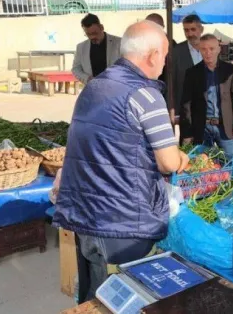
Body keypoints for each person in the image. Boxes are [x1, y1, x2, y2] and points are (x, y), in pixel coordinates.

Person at [53, 21, 189, 303]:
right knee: (125, 299)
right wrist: (181, 157)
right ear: (153, 55)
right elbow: (168, 163)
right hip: (124, 223)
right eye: (164, 55)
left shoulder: (94, 87)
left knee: (95, 296)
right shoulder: (146, 95)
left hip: (85, 215)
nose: (165, 63)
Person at [180, 34, 233, 160]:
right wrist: (187, 133)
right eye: (204, 49)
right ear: (199, 50)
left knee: (230, 163)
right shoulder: (192, 73)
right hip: (202, 128)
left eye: (211, 48)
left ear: (219, 49)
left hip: (224, 128)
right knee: (201, 166)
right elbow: (186, 104)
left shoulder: (230, 70)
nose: (208, 53)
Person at [167, 14, 205, 123]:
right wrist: (172, 109)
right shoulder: (176, 52)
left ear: (201, 29)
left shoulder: (210, 48)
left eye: (193, 29)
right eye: (186, 30)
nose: (190, 34)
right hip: (185, 112)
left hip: (209, 111)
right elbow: (170, 85)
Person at [71, 14, 121, 84]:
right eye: (88, 34)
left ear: (102, 27)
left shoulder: (119, 43)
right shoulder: (81, 47)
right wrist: (87, 79)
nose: (92, 37)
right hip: (93, 87)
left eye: (94, 33)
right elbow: (76, 69)